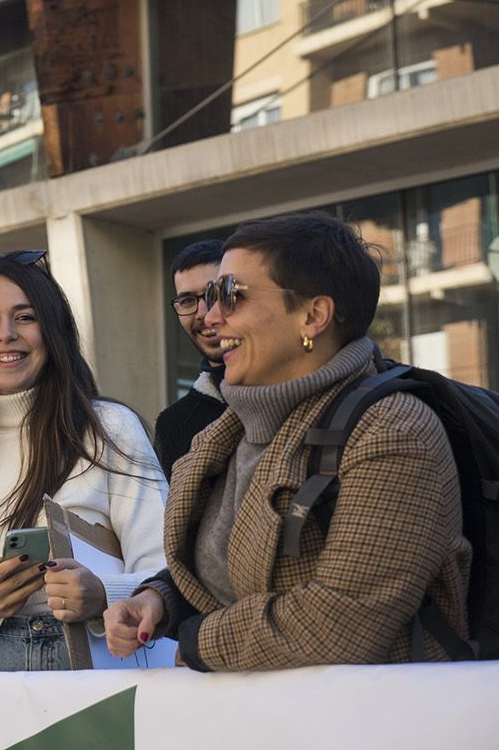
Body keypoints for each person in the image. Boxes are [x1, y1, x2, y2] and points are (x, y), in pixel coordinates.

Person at [104, 212, 471, 670]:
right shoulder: (232, 430)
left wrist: (197, 641)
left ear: (314, 316)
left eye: (231, 295)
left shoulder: (393, 430)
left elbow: (340, 624)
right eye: (208, 297)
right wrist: (159, 601)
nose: (210, 316)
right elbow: (234, 572)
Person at [0, 251, 166, 674]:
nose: (5, 334)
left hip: (90, 677)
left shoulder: (110, 428)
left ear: (53, 330)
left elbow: (165, 572)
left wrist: (102, 593)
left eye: (25, 317)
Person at [154, 240, 228, 478]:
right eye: (187, 301)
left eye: (214, 294)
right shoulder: (174, 425)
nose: (204, 314)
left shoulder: (283, 394)